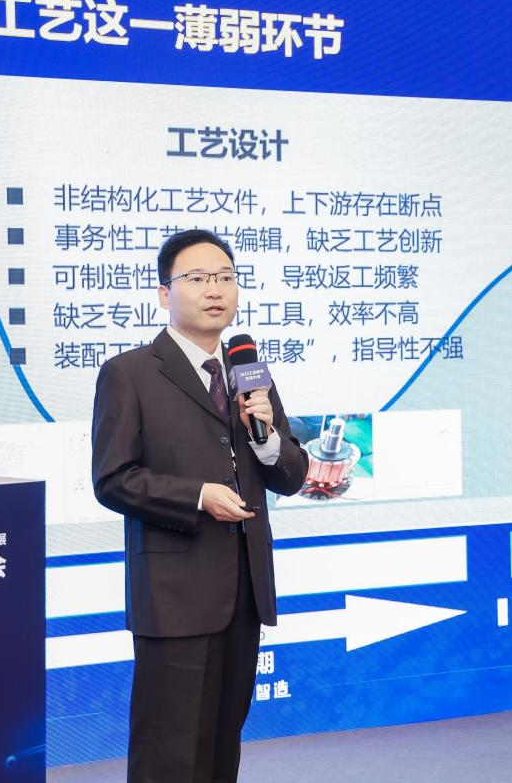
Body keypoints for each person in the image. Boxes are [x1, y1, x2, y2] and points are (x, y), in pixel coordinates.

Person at [91, 229, 308, 783]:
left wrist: (265, 437)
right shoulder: (130, 373)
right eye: (198, 278)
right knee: (169, 755)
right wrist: (197, 496)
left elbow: (292, 475)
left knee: (221, 749)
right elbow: (113, 479)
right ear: (165, 293)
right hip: (175, 599)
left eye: (226, 278)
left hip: (244, 594)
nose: (216, 290)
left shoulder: (249, 375)